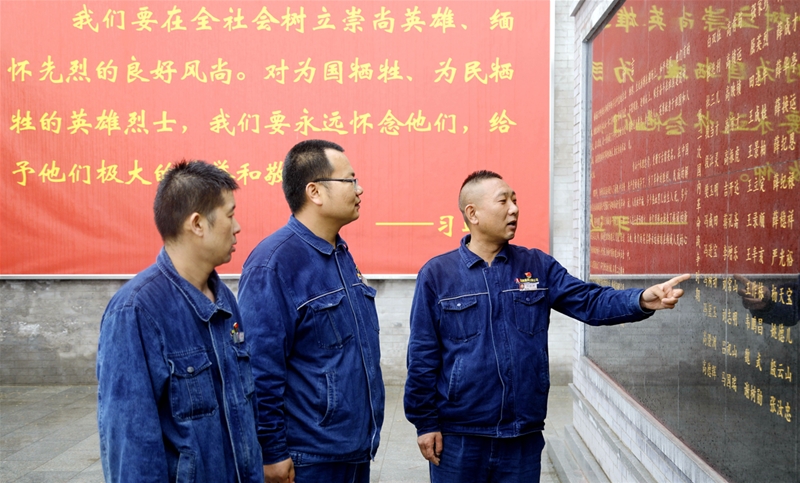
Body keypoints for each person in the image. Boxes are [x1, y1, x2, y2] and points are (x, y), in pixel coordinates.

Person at [404, 170, 689, 483]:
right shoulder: (438, 274)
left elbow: (590, 301)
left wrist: (642, 300)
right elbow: (422, 354)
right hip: (459, 438)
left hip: (522, 436)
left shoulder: (536, 266)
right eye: (503, 201)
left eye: (515, 200)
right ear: (473, 213)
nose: (514, 209)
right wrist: (425, 423)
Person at [96, 161, 263, 482]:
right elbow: (131, 444)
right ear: (197, 224)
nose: (238, 227)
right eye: (230, 215)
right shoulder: (135, 311)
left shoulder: (225, 301)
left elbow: (244, 413)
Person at [238, 140, 384, 483]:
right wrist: (272, 452)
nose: (359, 189)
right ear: (315, 191)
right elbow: (260, 368)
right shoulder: (273, 264)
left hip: (353, 450)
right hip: (308, 459)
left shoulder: (340, 253)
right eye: (349, 180)